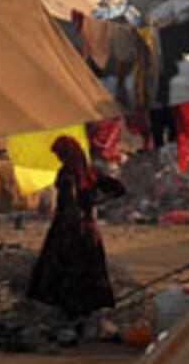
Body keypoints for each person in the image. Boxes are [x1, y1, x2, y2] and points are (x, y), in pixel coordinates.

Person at [27, 136, 123, 320]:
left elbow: (69, 201)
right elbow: (117, 189)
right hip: (86, 228)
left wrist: (84, 205)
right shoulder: (89, 173)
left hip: (67, 229)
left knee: (63, 269)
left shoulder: (68, 173)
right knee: (87, 269)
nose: (58, 158)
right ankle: (84, 310)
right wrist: (93, 202)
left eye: (60, 154)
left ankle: (69, 310)